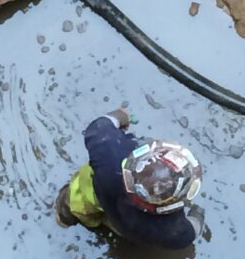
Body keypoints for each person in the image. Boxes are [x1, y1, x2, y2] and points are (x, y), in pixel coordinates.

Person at [54, 106, 200, 251]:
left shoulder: (110, 154)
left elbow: (99, 128)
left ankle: (65, 216)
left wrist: (121, 116)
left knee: (75, 202)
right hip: (129, 227)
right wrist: (197, 214)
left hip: (93, 195)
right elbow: (190, 233)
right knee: (129, 235)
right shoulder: (172, 230)